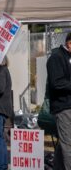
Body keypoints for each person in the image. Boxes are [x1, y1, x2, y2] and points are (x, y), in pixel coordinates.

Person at [46, 32, 71, 170]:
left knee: (65, 144)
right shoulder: (56, 57)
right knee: (69, 145)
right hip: (64, 107)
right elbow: (57, 83)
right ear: (69, 43)